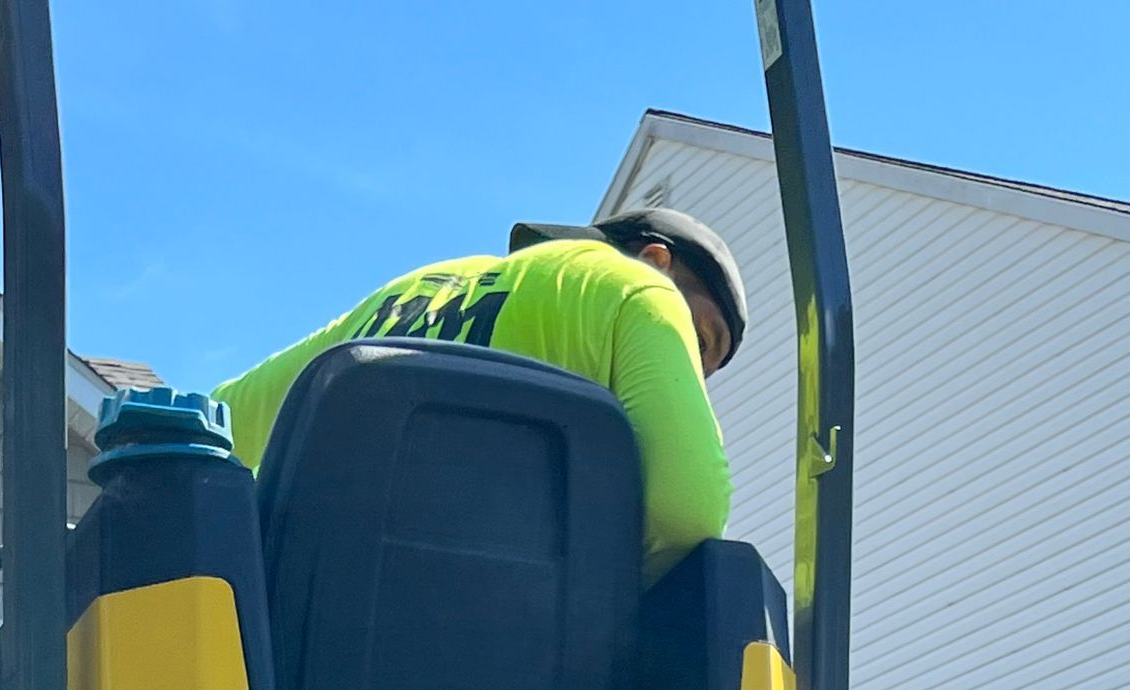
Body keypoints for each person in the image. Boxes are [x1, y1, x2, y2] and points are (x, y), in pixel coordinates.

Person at [213, 208, 746, 580]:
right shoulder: (637, 285)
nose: (692, 376)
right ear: (655, 259)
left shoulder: (410, 291)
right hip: (508, 681)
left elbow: (219, 420)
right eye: (701, 343)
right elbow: (685, 510)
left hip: (293, 680)